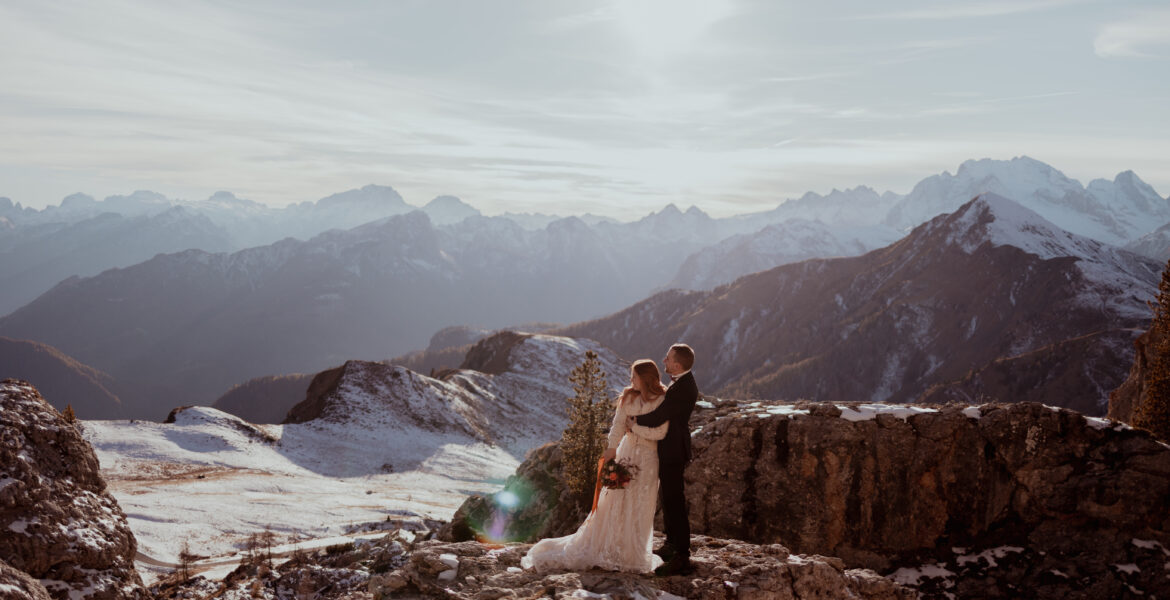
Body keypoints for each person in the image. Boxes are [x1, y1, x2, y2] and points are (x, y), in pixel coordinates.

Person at [522, 360, 670, 573]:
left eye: (634, 377)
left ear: (646, 378)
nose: (630, 381)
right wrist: (611, 450)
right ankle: (608, 548)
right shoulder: (627, 397)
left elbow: (660, 433)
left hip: (648, 459)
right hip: (626, 454)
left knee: (640, 505)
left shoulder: (662, 400)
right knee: (615, 502)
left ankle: (632, 555)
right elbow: (617, 425)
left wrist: (635, 427)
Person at [632, 343, 698, 576]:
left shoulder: (683, 388)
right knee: (669, 498)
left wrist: (634, 421)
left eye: (668, 359)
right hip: (671, 448)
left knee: (674, 501)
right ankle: (671, 545)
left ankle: (682, 555)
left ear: (678, 365)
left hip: (673, 450)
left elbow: (661, 415)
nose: (664, 361)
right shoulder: (681, 382)